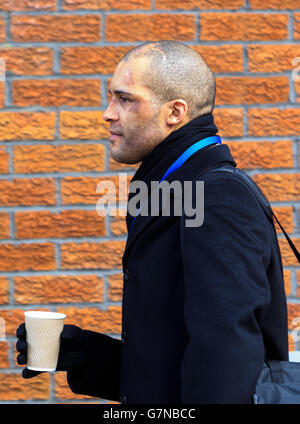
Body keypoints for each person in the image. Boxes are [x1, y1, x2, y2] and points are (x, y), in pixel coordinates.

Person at [16, 40, 289, 404]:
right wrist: (85, 353)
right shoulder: (172, 187)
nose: (108, 113)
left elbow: (227, 358)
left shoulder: (216, 195)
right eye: (111, 97)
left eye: (125, 100)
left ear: (175, 112)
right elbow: (174, 357)